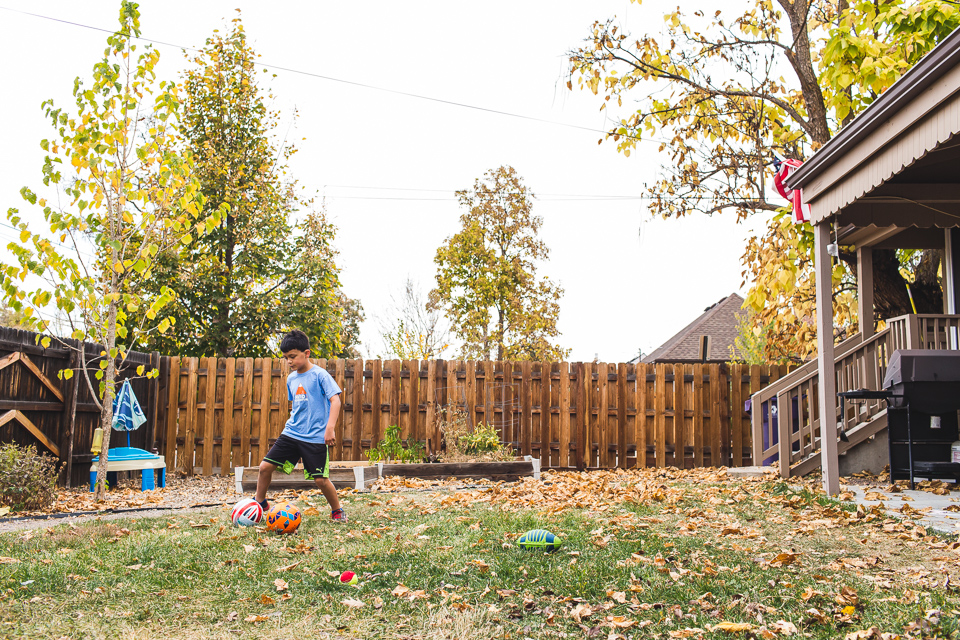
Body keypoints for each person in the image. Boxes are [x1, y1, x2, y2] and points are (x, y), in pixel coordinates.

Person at [254, 329, 347, 522]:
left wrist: (330, 428)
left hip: (315, 436)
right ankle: (260, 503)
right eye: (286, 358)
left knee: (320, 479)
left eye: (293, 357)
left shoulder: (320, 375)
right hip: (292, 433)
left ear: (307, 353)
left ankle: (337, 510)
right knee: (264, 467)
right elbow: (297, 404)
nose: (289, 361)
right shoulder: (291, 378)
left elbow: (335, 400)